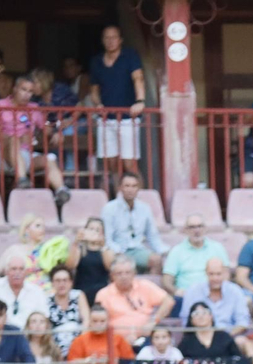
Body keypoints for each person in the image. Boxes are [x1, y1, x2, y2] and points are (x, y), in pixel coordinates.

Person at [0, 73, 69, 208]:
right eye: (23, 89)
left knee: (49, 160)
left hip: (24, 156)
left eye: (30, 91)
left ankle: (61, 191)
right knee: (13, 140)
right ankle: (22, 180)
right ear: (15, 89)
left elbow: (46, 128)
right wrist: (18, 139)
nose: (27, 94)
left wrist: (57, 131)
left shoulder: (34, 108)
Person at [86, 24, 145, 178]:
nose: (110, 41)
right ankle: (116, 199)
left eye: (114, 37)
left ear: (120, 40)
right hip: (106, 119)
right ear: (102, 40)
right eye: (107, 37)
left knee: (129, 165)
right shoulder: (96, 61)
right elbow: (94, 90)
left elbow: (138, 78)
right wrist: (97, 104)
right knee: (110, 164)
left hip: (128, 118)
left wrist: (140, 101)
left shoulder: (130, 56)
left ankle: (139, 199)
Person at [95, 255, 172, 342]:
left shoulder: (145, 286)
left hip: (146, 338)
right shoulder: (103, 294)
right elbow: (98, 321)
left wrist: (154, 321)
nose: (124, 277)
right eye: (119, 273)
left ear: (134, 273)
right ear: (112, 276)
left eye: (127, 273)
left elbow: (168, 301)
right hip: (115, 340)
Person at [101, 174, 166, 273]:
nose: (130, 189)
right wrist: (118, 253)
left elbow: (152, 236)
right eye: (127, 186)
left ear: (138, 188)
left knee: (156, 260)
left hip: (137, 249)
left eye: (134, 186)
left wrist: (164, 251)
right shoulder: (109, 208)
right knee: (116, 261)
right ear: (120, 188)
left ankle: (149, 287)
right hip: (117, 251)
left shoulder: (145, 208)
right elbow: (107, 239)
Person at [64, 303, 134, 364]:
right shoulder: (79, 340)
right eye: (95, 321)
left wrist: (112, 362)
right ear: (89, 321)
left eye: (102, 321)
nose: (98, 324)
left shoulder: (119, 339)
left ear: (108, 321)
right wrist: (87, 362)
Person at [162, 215, 229, 295]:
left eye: (200, 226)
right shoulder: (176, 251)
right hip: (186, 296)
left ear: (205, 229)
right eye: (192, 227)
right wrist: (176, 291)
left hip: (213, 295)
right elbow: (166, 280)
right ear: (185, 230)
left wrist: (219, 291)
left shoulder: (217, 247)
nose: (197, 230)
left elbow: (226, 274)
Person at [176, 302, 242, 362]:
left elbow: (237, 358)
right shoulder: (187, 341)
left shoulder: (224, 337)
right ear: (191, 320)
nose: (201, 316)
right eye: (196, 314)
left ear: (211, 316)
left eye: (204, 312)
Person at [45, 265, 90, 352]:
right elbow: (46, 328)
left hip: (79, 342)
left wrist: (80, 343)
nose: (61, 284)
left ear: (71, 282)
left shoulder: (78, 295)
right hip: (55, 347)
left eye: (65, 280)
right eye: (58, 281)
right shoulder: (47, 300)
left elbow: (86, 320)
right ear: (52, 283)